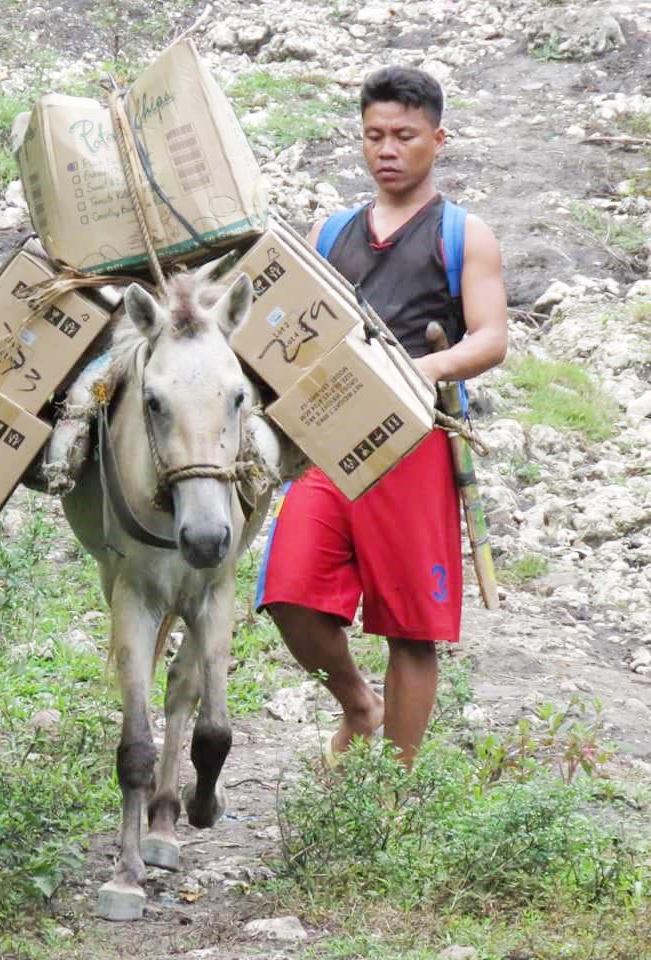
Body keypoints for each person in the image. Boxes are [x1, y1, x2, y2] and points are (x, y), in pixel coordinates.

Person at [256, 66, 508, 768]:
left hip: (415, 444)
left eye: (403, 135)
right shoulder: (332, 229)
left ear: (437, 139)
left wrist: (419, 371)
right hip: (328, 443)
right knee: (288, 591)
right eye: (374, 136)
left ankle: (391, 796)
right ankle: (358, 708)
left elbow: (490, 338)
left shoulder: (463, 234)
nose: (386, 150)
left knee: (411, 628)